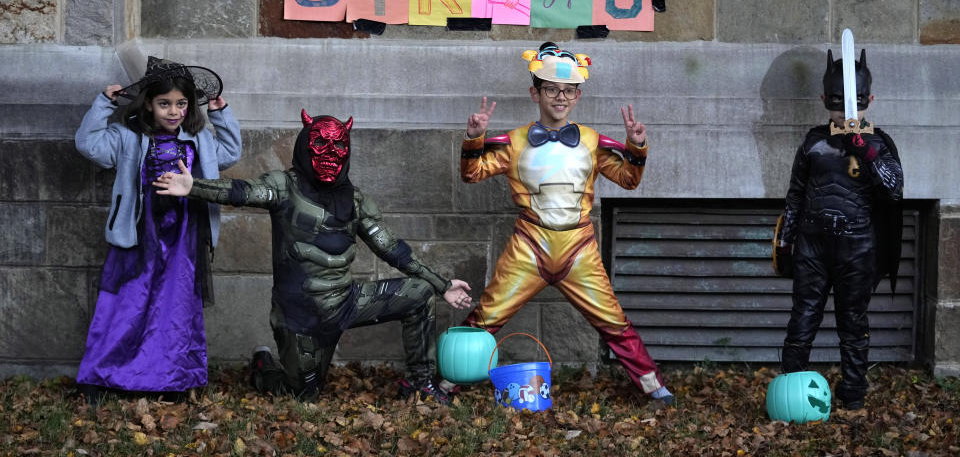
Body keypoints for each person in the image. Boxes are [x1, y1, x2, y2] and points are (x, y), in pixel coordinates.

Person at [154, 111, 473, 405]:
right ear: (306, 145)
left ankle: (419, 384)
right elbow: (242, 191)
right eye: (321, 143)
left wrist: (441, 284)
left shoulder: (355, 199)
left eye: (339, 144)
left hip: (346, 302)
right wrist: (194, 186)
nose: (331, 152)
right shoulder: (283, 186)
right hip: (300, 318)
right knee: (302, 395)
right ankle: (264, 366)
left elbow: (390, 247)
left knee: (419, 293)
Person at [459, 42, 673, 405]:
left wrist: (637, 147)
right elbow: (473, 173)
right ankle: (447, 382)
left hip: (579, 249)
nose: (560, 97)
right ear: (535, 92)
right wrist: (473, 137)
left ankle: (654, 386)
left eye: (568, 90)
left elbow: (628, 180)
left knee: (614, 322)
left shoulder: (591, 141)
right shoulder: (513, 142)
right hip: (530, 245)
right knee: (485, 319)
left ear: (577, 96)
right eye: (551, 89)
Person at [74, 56, 242, 400]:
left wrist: (221, 115)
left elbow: (230, 151)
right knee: (128, 303)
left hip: (183, 233)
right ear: (149, 104)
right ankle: (105, 376)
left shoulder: (200, 139)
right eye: (164, 103)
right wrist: (104, 104)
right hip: (140, 232)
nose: (173, 111)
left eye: (181, 103)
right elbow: (88, 144)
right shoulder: (127, 137)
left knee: (175, 304)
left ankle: (172, 376)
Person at [775, 47, 903, 410]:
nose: (845, 108)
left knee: (853, 321)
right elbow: (796, 194)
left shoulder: (878, 143)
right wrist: (786, 242)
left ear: (870, 100)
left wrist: (866, 149)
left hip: (858, 245)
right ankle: (791, 392)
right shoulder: (813, 141)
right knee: (803, 316)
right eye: (836, 100)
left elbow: (894, 189)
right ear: (822, 99)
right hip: (812, 245)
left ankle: (853, 393)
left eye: (856, 101)